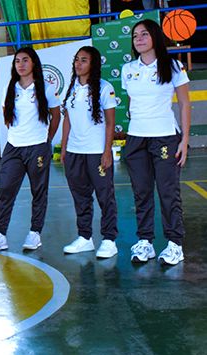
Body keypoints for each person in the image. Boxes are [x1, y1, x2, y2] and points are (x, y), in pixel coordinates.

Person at [121, 20, 191, 265]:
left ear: (155, 37)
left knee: (168, 192)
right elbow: (131, 103)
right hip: (136, 139)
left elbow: (184, 103)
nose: (138, 39)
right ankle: (145, 242)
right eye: (135, 35)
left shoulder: (172, 66)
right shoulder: (128, 69)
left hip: (165, 137)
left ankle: (175, 244)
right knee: (141, 193)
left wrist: (184, 139)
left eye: (144, 34)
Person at [0, 47, 61, 251]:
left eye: (25, 60)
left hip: (37, 147)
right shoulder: (10, 88)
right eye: (17, 61)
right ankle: (0, 234)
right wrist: (17, 133)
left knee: (39, 192)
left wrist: (47, 138)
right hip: (13, 148)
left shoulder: (45, 88)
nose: (20, 64)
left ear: (34, 63)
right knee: (6, 190)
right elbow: (6, 114)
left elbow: (56, 115)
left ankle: (34, 233)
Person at [59, 46, 119, 259]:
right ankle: (85, 238)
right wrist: (64, 148)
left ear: (93, 65)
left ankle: (109, 240)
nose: (78, 63)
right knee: (80, 197)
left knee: (105, 197)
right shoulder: (72, 87)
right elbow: (67, 120)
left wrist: (106, 151)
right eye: (76, 59)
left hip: (96, 152)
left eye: (83, 60)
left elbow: (111, 122)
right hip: (75, 152)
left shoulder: (104, 88)